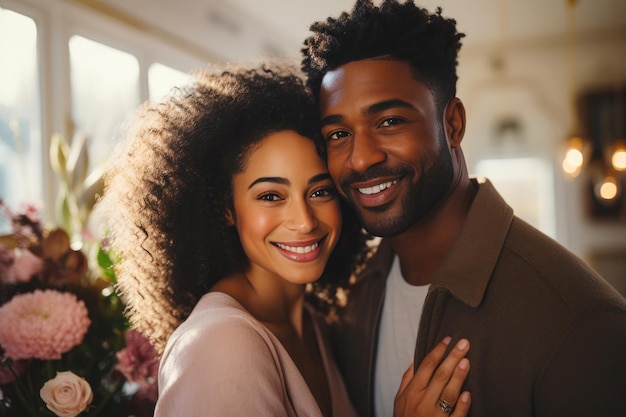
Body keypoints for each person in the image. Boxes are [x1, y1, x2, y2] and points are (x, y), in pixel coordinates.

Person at [300, 1, 626, 417]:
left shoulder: (579, 324)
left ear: (452, 124)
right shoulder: (353, 297)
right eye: (339, 133)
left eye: (389, 122)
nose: (360, 159)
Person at [99, 63, 472, 417]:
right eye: (271, 196)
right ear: (226, 208)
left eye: (320, 191)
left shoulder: (312, 325)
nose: (304, 221)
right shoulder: (221, 344)